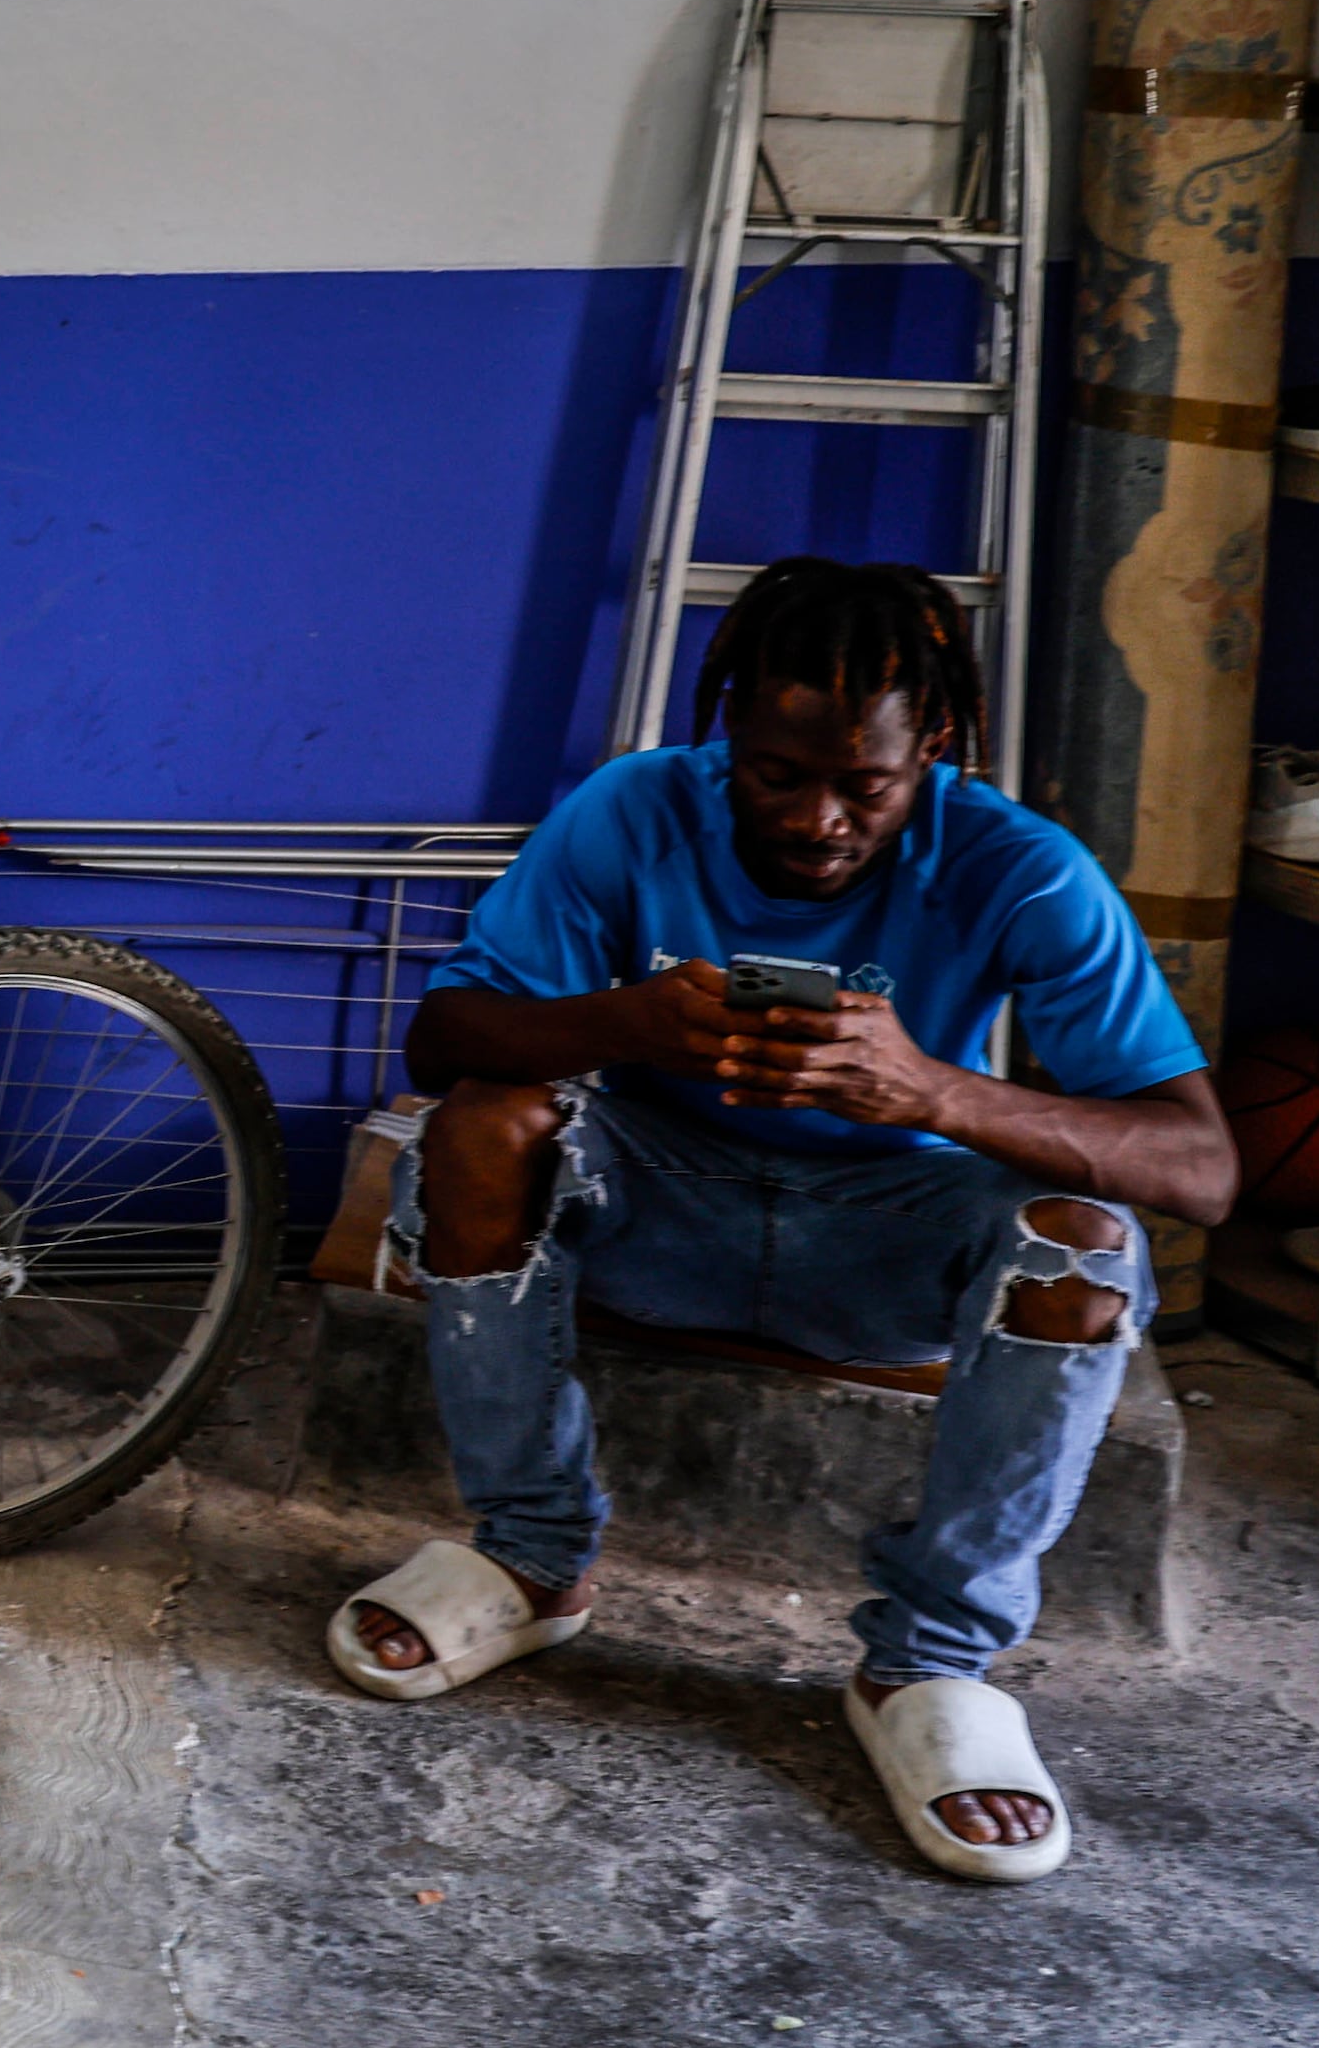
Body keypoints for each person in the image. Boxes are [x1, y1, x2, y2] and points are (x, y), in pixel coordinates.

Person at [332, 557, 1232, 1883]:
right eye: (774, 773)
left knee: (1081, 1236)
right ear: (730, 729)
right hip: (660, 1202)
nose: (817, 819)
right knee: (481, 1123)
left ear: (929, 745)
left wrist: (928, 1085)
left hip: (883, 1237)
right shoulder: (633, 806)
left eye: (863, 785)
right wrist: (626, 1021)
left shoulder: (1021, 868)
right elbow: (448, 1031)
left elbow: (1200, 1164)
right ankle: (528, 1558)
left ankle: (928, 1663)